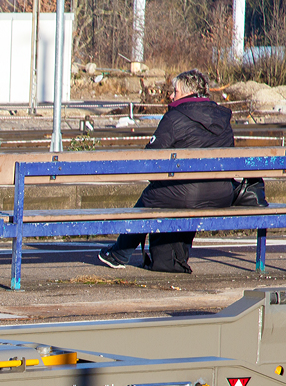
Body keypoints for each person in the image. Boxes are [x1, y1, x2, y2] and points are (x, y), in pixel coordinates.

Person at [97, 69, 235, 273]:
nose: (171, 96)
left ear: (187, 93)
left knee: (151, 198)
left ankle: (120, 253)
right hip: (222, 193)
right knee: (173, 194)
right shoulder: (223, 118)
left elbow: (151, 157)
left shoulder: (175, 117)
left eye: (175, 91)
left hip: (188, 194)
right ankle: (173, 257)